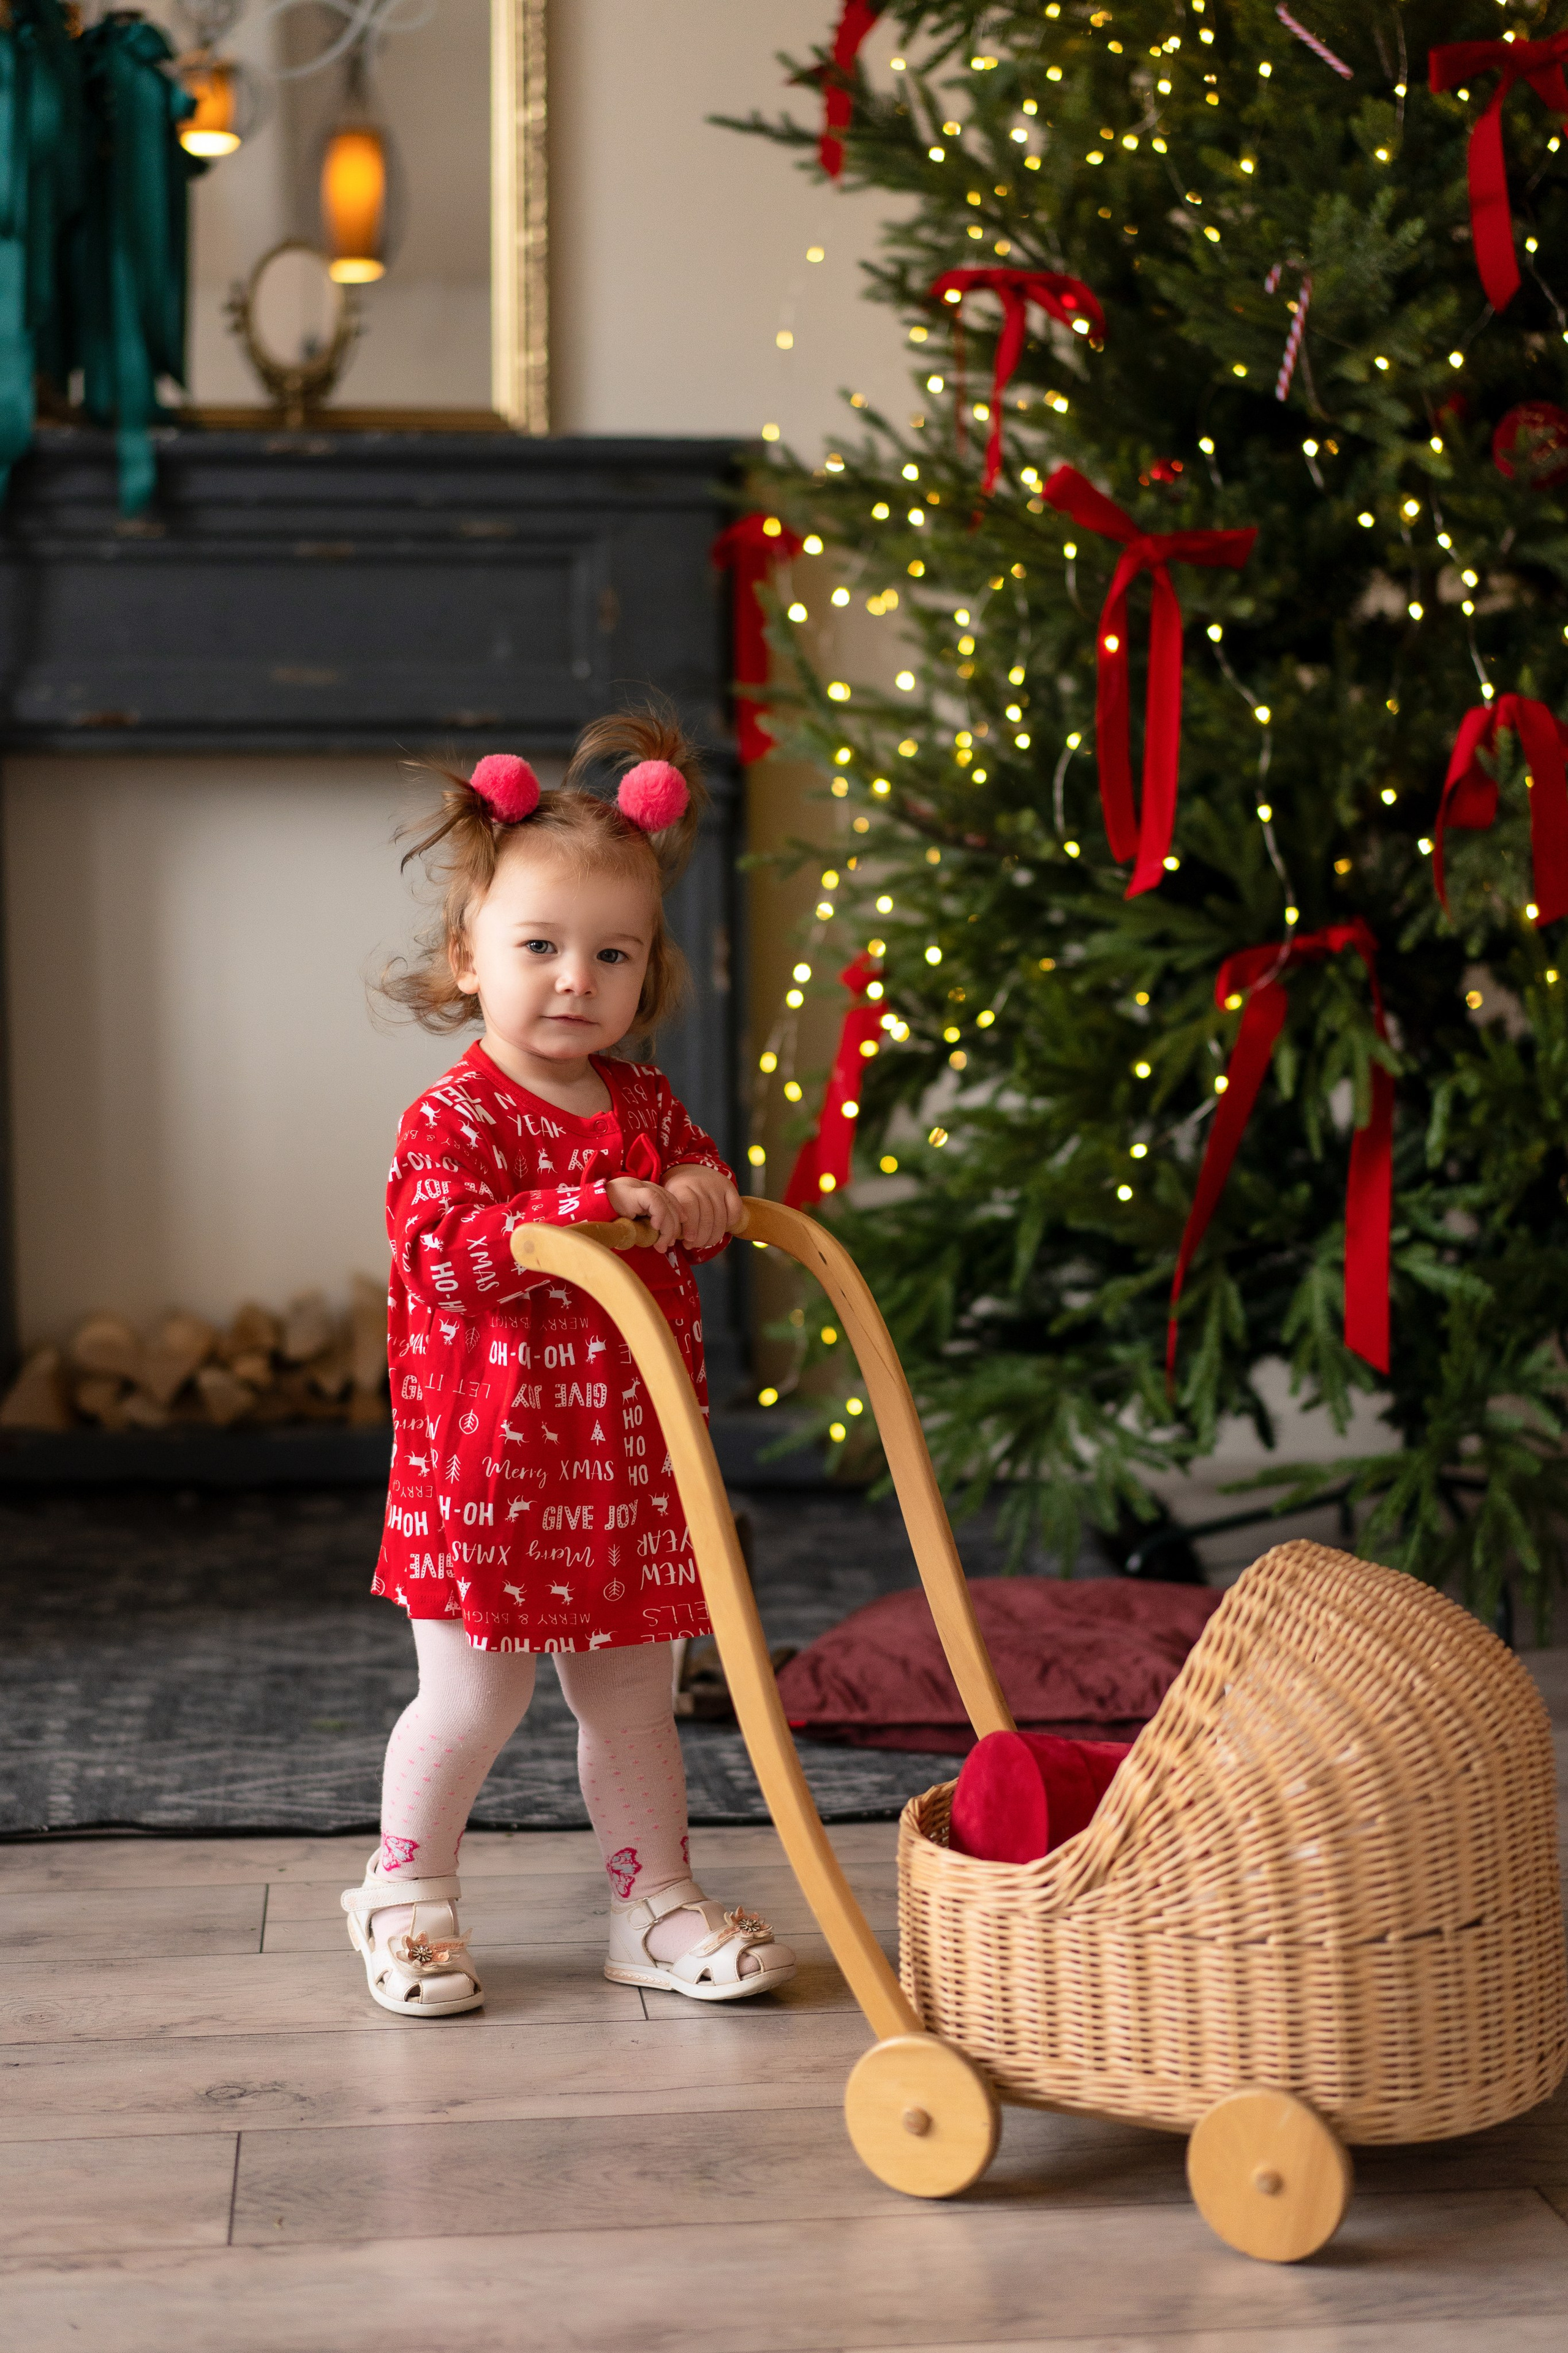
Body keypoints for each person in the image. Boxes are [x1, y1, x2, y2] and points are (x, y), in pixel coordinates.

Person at [342, 709, 794, 2018]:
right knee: (472, 1698)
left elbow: (694, 1191)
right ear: (468, 954)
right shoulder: (455, 1116)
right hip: (484, 1469)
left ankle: (649, 1905)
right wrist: (585, 1210)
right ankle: (404, 1892)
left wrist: (703, 1194)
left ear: (643, 975)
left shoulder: (646, 1109)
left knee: (634, 1703)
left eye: (611, 954)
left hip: (631, 1470)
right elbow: (440, 1257)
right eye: (537, 947)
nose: (571, 980)